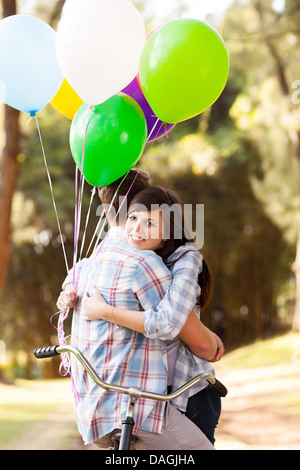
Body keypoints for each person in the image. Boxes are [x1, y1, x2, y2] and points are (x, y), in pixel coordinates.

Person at [57, 170, 215, 450]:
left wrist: (82, 301)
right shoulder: (142, 263)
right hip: (141, 408)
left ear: (105, 210)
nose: (138, 228)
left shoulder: (88, 265)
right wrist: (214, 344)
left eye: (150, 222)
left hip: (98, 415)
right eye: (135, 217)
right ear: (130, 209)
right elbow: (198, 342)